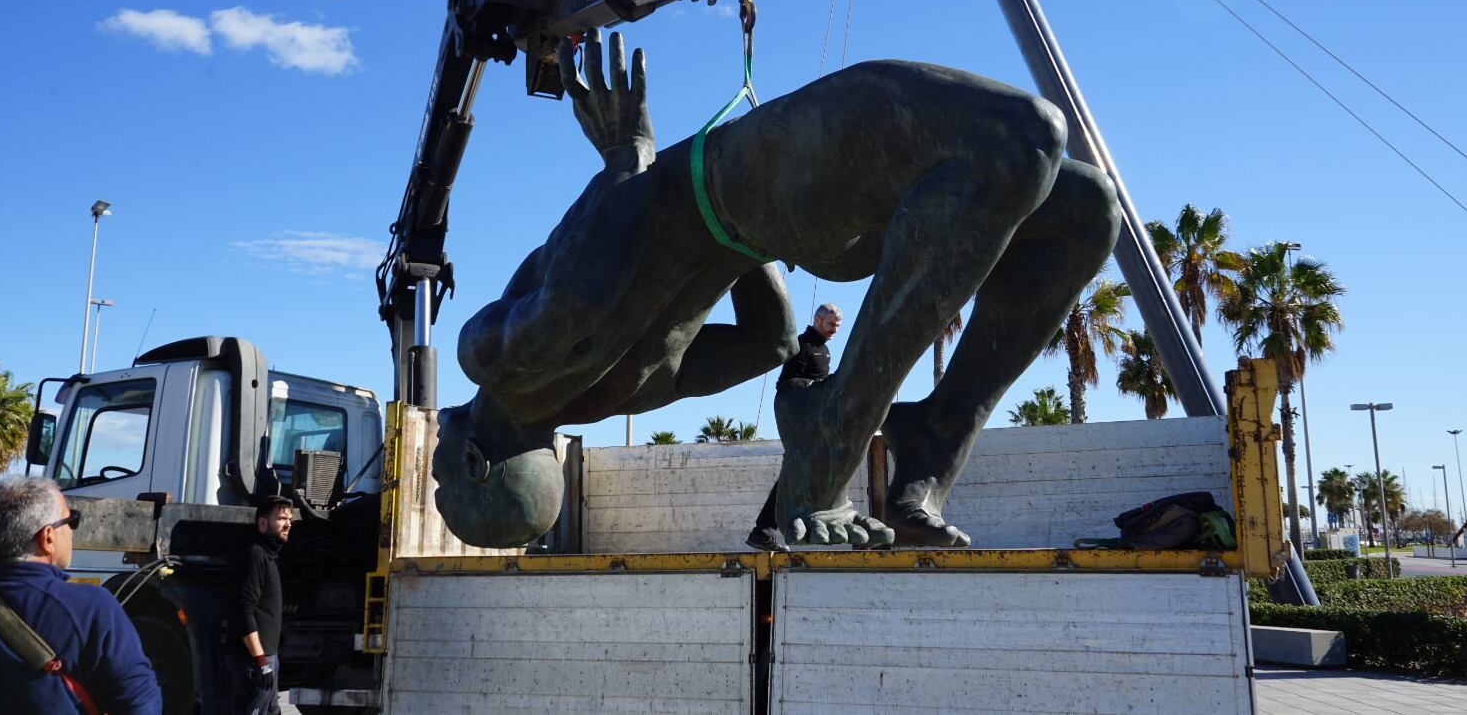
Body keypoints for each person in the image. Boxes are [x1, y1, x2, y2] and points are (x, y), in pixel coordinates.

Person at [434, 29, 1119, 550]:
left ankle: (933, 427)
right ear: (474, 461)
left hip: (769, 216)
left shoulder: (621, 394)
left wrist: (743, 247)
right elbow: (578, 300)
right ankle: (841, 425)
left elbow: (773, 345)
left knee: (1089, 212)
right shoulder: (493, 362)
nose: (433, 452)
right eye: (444, 475)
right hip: (741, 181)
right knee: (1024, 136)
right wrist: (628, 156)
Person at [0, 475, 161, 714]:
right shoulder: (93, 608)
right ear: (47, 537)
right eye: (71, 520)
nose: (71, 530)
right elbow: (140, 704)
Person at [746, 302, 842, 552]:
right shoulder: (803, 346)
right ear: (818, 320)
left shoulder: (824, 350)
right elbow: (786, 384)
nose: (835, 329)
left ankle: (768, 529)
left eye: (838, 325)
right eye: (831, 324)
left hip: (816, 417)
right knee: (794, 469)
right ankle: (763, 531)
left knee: (803, 471)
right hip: (799, 417)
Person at [231, 496, 292, 715]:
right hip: (255, 660)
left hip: (269, 657)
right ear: (263, 523)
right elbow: (243, 609)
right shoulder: (255, 556)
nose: (288, 524)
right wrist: (260, 660)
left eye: (289, 519)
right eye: (281, 518)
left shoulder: (269, 558)